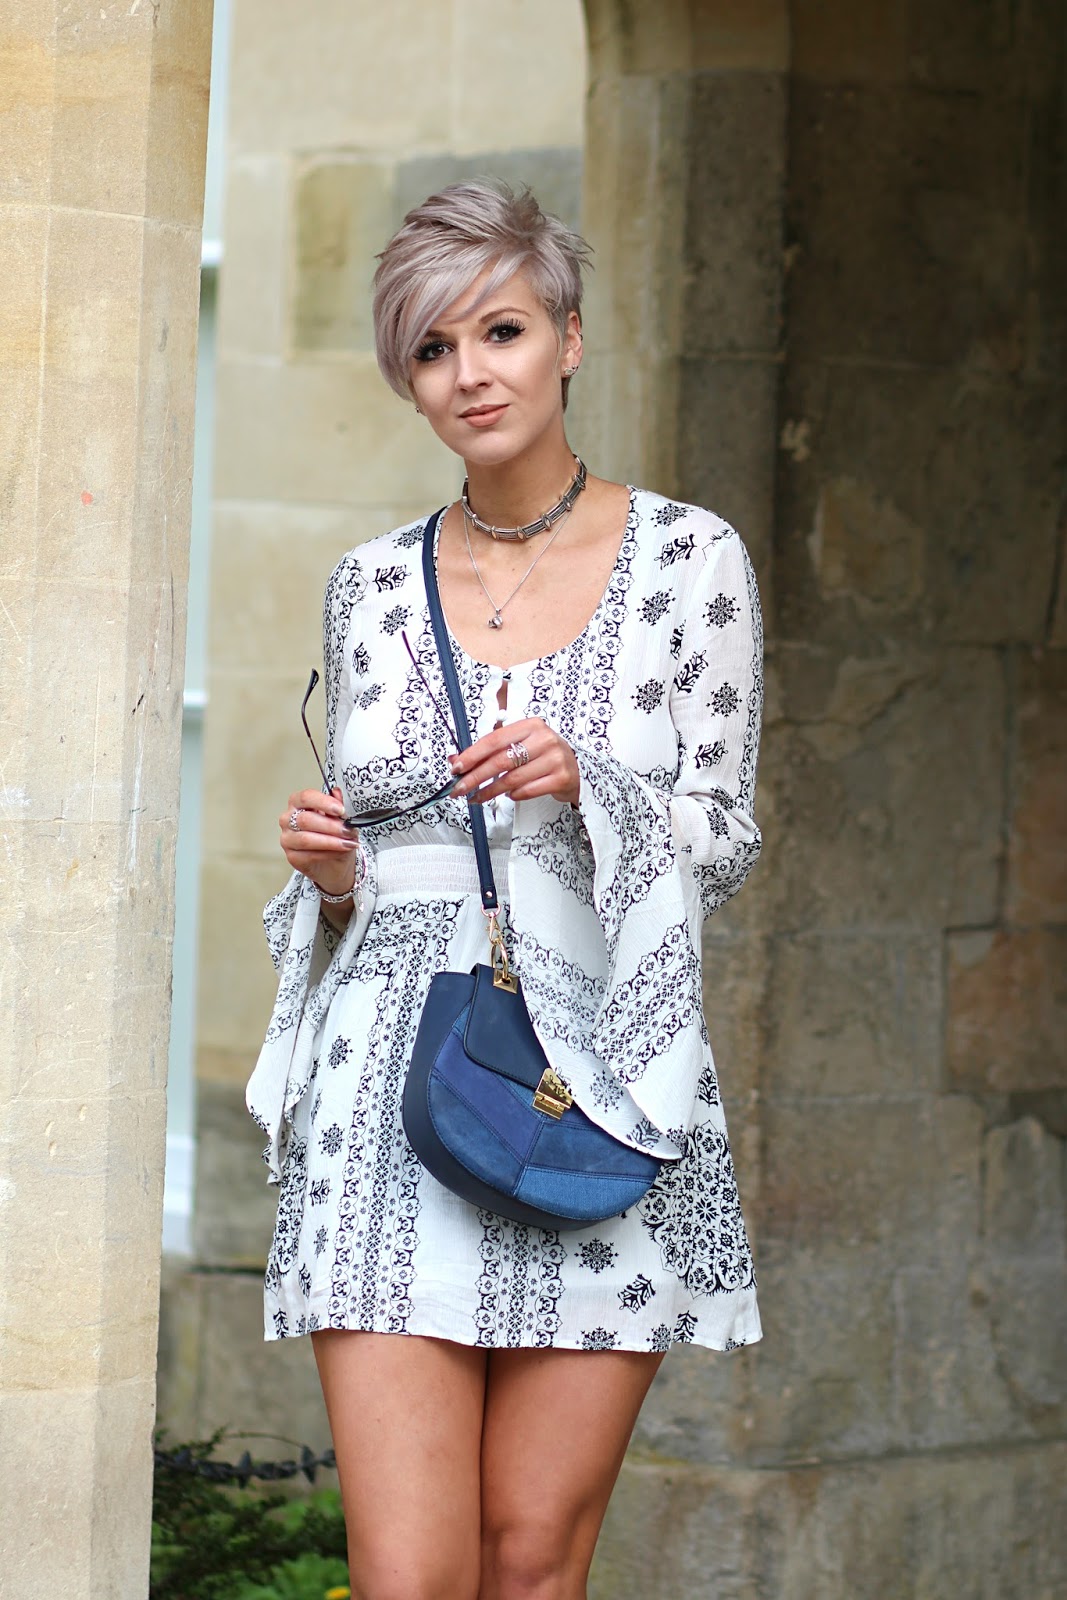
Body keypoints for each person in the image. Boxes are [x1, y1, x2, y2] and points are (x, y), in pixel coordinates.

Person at [246, 180, 764, 1600]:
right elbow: (368, 878)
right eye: (431, 348)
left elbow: (723, 841)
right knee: (409, 1577)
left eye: (503, 331)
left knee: (530, 1561)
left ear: (570, 340)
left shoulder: (692, 562)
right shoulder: (370, 586)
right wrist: (331, 878)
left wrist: (588, 780)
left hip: (597, 1088)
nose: (470, 373)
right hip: (387, 1095)